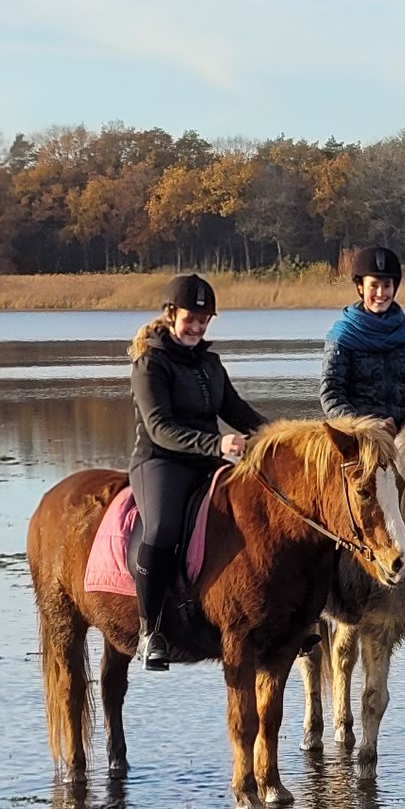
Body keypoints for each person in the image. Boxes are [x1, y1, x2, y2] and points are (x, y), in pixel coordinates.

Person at [128, 273, 266, 669]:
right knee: (163, 529)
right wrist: (217, 444)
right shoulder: (150, 364)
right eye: (191, 318)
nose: (197, 327)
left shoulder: (210, 364)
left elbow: (237, 412)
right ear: (171, 315)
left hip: (207, 461)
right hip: (160, 462)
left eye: (204, 320)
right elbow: (160, 428)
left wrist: (280, 438)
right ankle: (149, 630)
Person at [319, 245, 405, 430]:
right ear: (360, 287)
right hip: (358, 439)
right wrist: (368, 428)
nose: (381, 294)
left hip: (404, 438)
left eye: (386, 286)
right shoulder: (342, 337)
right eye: (374, 285)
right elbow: (332, 395)